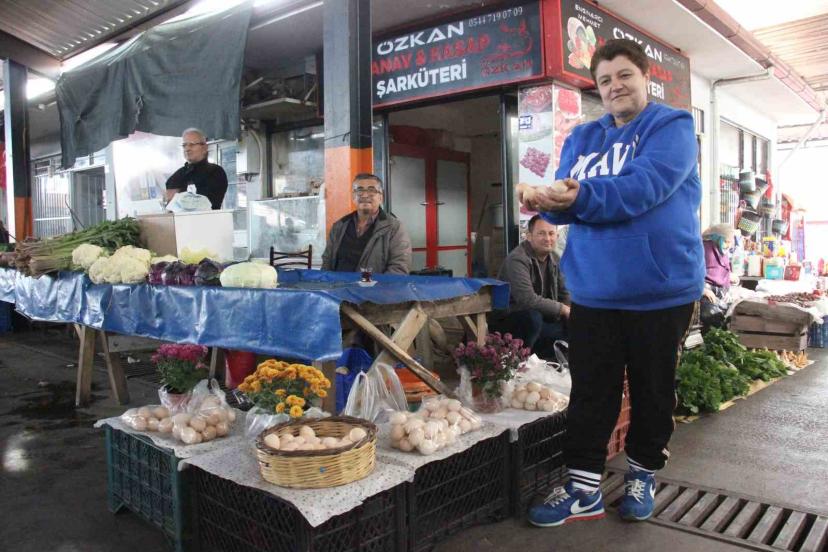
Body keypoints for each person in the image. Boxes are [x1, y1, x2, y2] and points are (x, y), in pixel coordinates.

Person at [519, 39, 704, 527]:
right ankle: (583, 489)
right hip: (594, 290)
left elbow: (643, 188)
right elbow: (566, 199)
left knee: (652, 390)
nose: (615, 86)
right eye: (604, 81)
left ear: (645, 79)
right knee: (591, 392)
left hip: (659, 289)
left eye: (624, 75)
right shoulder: (583, 137)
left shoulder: (672, 127)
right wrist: (544, 198)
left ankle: (642, 474)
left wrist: (577, 196)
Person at [490, 215, 569, 358]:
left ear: (557, 236)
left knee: (573, 323)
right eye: (541, 233)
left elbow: (565, 294)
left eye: (551, 233)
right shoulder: (517, 259)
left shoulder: (555, 259)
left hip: (539, 321)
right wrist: (562, 309)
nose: (547, 238)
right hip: (509, 321)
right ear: (529, 236)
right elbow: (527, 300)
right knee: (533, 317)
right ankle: (517, 361)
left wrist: (572, 312)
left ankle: (548, 362)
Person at [321, 173, 412, 275]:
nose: (364, 195)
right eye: (359, 190)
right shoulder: (339, 226)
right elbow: (327, 262)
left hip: (375, 285)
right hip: (338, 284)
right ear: (353, 196)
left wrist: (373, 285)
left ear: (381, 197)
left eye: (371, 190)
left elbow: (399, 267)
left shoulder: (394, 228)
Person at [165, 128, 228, 210]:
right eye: (184, 145)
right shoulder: (178, 175)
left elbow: (207, 203)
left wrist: (178, 198)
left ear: (204, 148)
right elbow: (168, 202)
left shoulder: (215, 172)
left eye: (192, 144)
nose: (187, 149)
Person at [700, 224, 739, 329]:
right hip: (705, 293)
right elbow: (693, 272)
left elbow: (722, 271)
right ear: (717, 238)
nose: (728, 245)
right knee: (713, 315)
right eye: (726, 241)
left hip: (721, 293)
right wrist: (703, 289)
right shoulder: (704, 249)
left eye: (730, 242)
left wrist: (730, 277)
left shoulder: (722, 252)